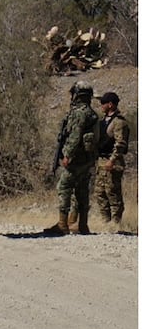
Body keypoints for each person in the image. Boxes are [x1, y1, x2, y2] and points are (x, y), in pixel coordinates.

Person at [43, 81, 100, 235]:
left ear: (77, 95)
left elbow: (75, 136)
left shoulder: (80, 113)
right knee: (82, 191)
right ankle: (82, 225)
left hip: (77, 159)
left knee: (64, 187)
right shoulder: (92, 113)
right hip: (87, 159)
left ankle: (63, 225)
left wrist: (67, 155)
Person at [94, 91, 129, 230]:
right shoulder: (103, 121)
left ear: (110, 104)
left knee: (113, 193)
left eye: (103, 103)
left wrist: (113, 160)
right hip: (102, 161)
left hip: (113, 162)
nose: (101, 105)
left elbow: (120, 143)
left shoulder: (119, 122)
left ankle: (116, 223)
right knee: (100, 193)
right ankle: (105, 222)